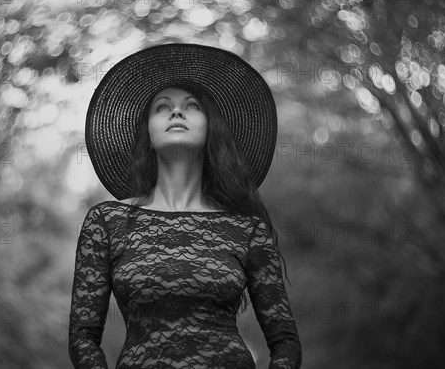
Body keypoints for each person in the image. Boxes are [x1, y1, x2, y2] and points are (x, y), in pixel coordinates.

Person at [69, 43, 301, 368]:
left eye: (191, 106)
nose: (176, 112)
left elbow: (286, 343)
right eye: (162, 107)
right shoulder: (106, 221)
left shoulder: (247, 228)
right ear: (148, 135)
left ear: (210, 129)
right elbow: (83, 337)